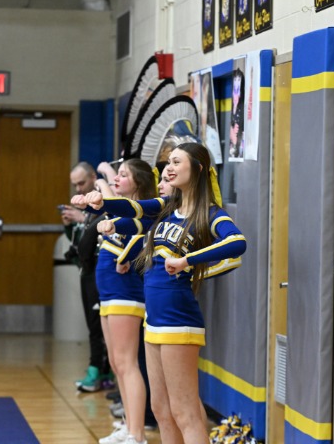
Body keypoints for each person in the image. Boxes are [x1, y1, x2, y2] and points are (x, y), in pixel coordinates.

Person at [73, 143, 247, 443]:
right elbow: (134, 209)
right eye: (169, 163)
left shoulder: (210, 213)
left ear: (198, 169)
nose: (169, 168)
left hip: (179, 319)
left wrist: (187, 261)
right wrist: (99, 204)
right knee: (161, 409)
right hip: (153, 319)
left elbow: (237, 242)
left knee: (185, 411)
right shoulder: (166, 208)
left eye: (177, 162)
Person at [91, 159, 156, 444]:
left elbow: (139, 238)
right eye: (116, 175)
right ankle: (128, 425)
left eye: (123, 175)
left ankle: (137, 434)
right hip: (108, 291)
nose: (117, 179)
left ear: (138, 182)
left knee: (128, 363)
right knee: (117, 363)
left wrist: (103, 176)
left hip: (125, 291)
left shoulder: (140, 211)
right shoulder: (122, 208)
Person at [61, 162, 111, 392]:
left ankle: (101, 369)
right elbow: (80, 240)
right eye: (75, 185)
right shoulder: (85, 203)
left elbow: (103, 226)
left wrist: (83, 219)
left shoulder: (105, 199)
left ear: (93, 177)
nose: (78, 188)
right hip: (87, 267)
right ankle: (100, 369)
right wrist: (70, 225)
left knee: (100, 323)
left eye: (82, 183)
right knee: (93, 323)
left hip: (101, 268)